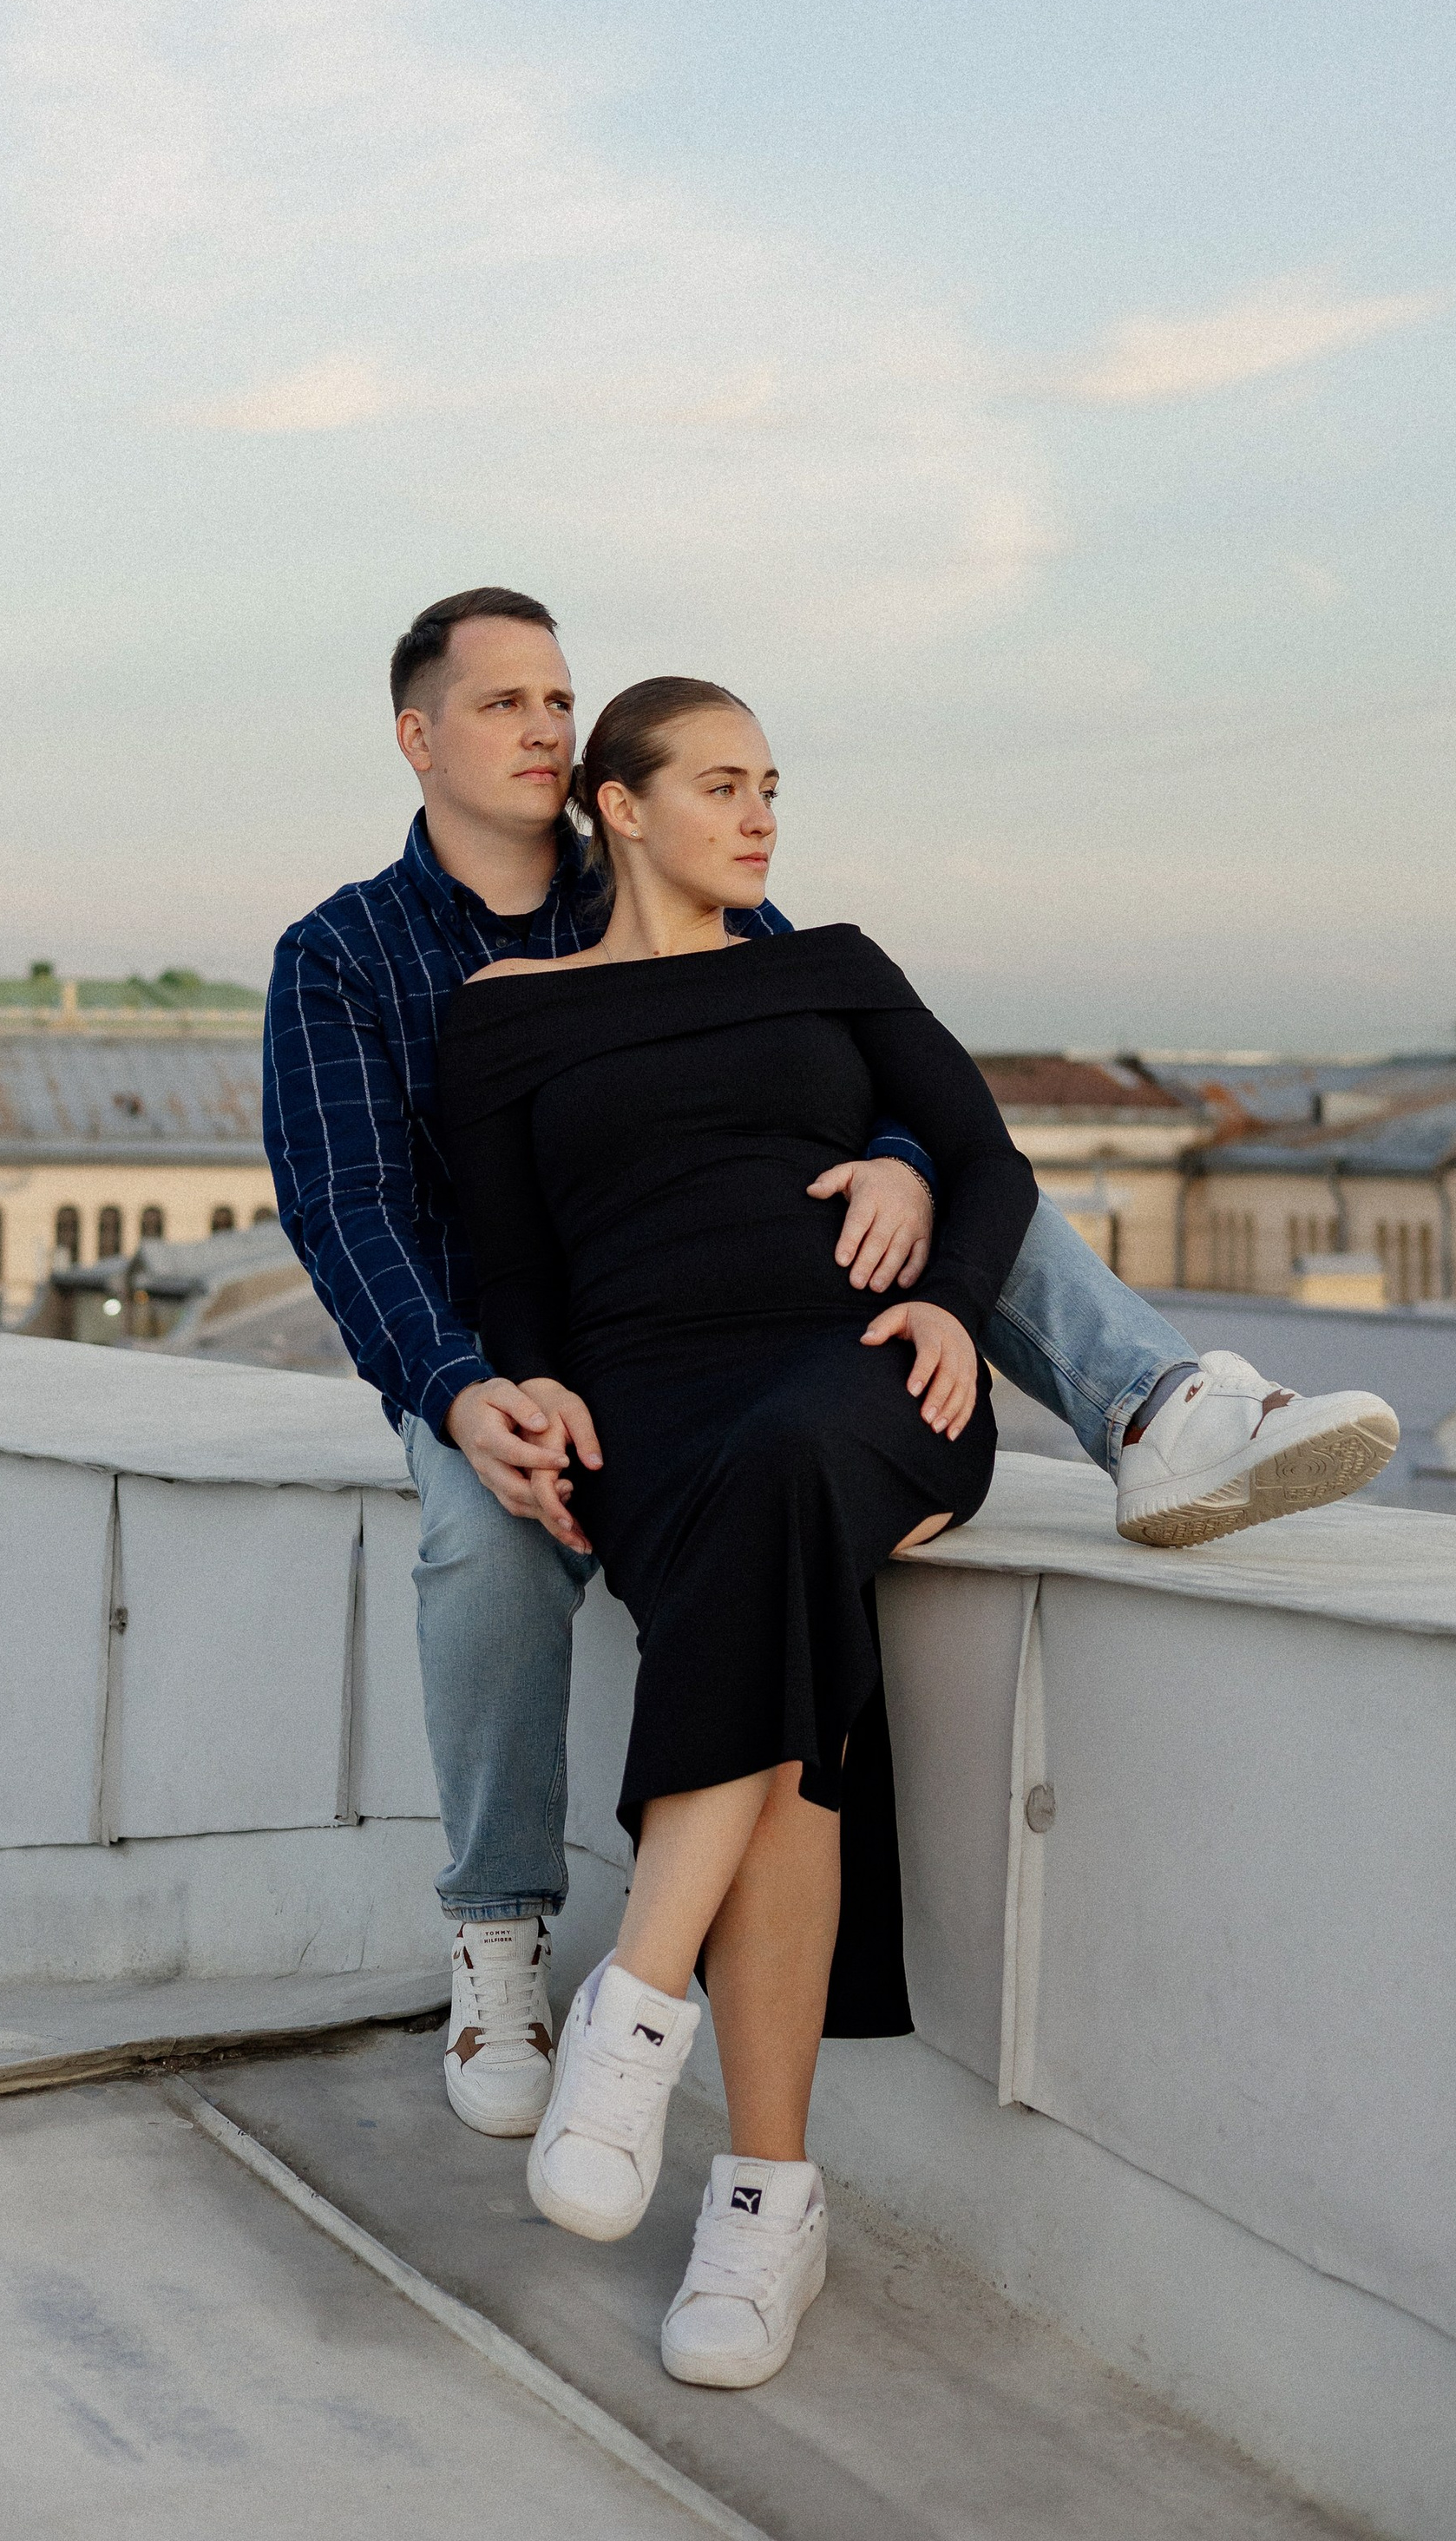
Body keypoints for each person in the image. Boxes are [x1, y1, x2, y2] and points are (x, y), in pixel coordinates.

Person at [262, 588, 1398, 2155]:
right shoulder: (354, 958)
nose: (540, 726)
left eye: (558, 699)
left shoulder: (706, 894)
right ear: (417, 737)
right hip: (516, 1358)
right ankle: (505, 1932)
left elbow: (836, 1074)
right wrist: (466, 1390)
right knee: (483, 1539)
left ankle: (1155, 1404)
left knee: (919, 1209)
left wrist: (896, 1165)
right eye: (503, 704)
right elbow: (350, 1211)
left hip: (773, 1329)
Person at [439, 673, 1039, 2386]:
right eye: (719, 784)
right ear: (617, 808)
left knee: (783, 1480)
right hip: (648, 1409)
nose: (760, 812)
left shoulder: (831, 966)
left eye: (771, 783)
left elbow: (984, 1161)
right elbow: (508, 1268)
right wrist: (531, 1388)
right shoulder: (502, 1017)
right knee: (783, 1681)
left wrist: (946, 1291)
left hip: (865, 1376)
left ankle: (633, 2011)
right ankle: (766, 2202)